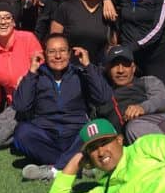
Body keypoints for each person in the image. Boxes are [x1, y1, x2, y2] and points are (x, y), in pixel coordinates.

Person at [13, 33, 113, 181]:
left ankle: (54, 170)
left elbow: (104, 97)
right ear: (44, 54)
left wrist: (88, 66)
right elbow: (21, 106)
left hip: (76, 134)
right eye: (52, 52)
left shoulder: (81, 73)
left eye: (62, 51)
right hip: (46, 134)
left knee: (95, 128)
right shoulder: (36, 76)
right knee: (22, 132)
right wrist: (32, 71)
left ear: (70, 53)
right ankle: (77, 166)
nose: (58, 56)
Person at [0, 4, 42, 151]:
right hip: (16, 107)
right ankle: (25, 132)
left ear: (14, 22)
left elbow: (44, 70)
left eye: (7, 18)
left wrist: (28, 81)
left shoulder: (28, 38)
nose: (3, 22)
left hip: (40, 99)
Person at [96, 45, 165, 142]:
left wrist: (142, 108)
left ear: (133, 68)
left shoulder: (147, 81)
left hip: (158, 127)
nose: (120, 70)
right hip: (125, 141)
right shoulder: (104, 94)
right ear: (108, 69)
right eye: (115, 65)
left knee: (134, 127)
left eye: (125, 65)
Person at [49, 0, 117, 65]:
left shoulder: (108, 10)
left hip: (97, 69)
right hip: (69, 69)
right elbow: (53, 42)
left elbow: (112, 45)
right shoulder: (66, 8)